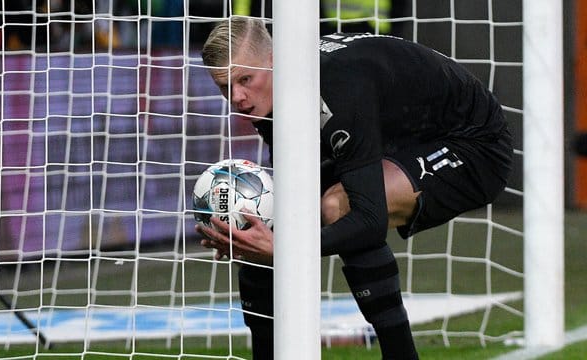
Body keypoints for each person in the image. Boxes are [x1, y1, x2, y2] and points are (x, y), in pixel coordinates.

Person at [197, 18, 513, 359]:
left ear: (275, 58)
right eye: (225, 87)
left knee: (339, 207)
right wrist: (255, 237)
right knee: (262, 221)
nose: (238, 97)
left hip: (474, 146)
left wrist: (285, 250)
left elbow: (370, 219)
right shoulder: (275, 93)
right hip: (398, 137)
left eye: (245, 79)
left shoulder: (337, 85)